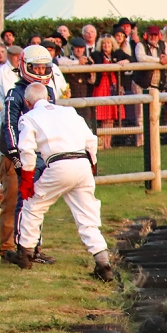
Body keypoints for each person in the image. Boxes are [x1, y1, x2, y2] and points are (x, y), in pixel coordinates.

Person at [13, 83, 112, 279]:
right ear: (48, 97)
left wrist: (26, 179)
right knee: (87, 216)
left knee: (33, 205)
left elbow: (26, 149)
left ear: (27, 102)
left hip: (58, 164)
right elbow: (91, 140)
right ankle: (103, 263)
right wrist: (92, 164)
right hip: (82, 163)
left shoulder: (29, 117)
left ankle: (25, 253)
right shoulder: (70, 112)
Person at [0, 45, 58, 265]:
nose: (41, 73)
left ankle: (32, 248)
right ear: (25, 66)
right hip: (14, 155)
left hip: (38, 156)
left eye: (45, 68)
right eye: (37, 68)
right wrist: (15, 155)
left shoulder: (49, 93)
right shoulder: (15, 93)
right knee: (13, 199)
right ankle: (7, 250)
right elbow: (9, 125)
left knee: (35, 201)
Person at [92, 37, 126, 148]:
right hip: (102, 85)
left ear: (113, 45)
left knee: (111, 117)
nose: (106, 45)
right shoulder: (97, 55)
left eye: (108, 43)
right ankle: (101, 143)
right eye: (104, 43)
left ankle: (108, 143)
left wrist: (125, 61)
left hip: (114, 85)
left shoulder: (117, 54)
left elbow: (130, 58)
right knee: (103, 116)